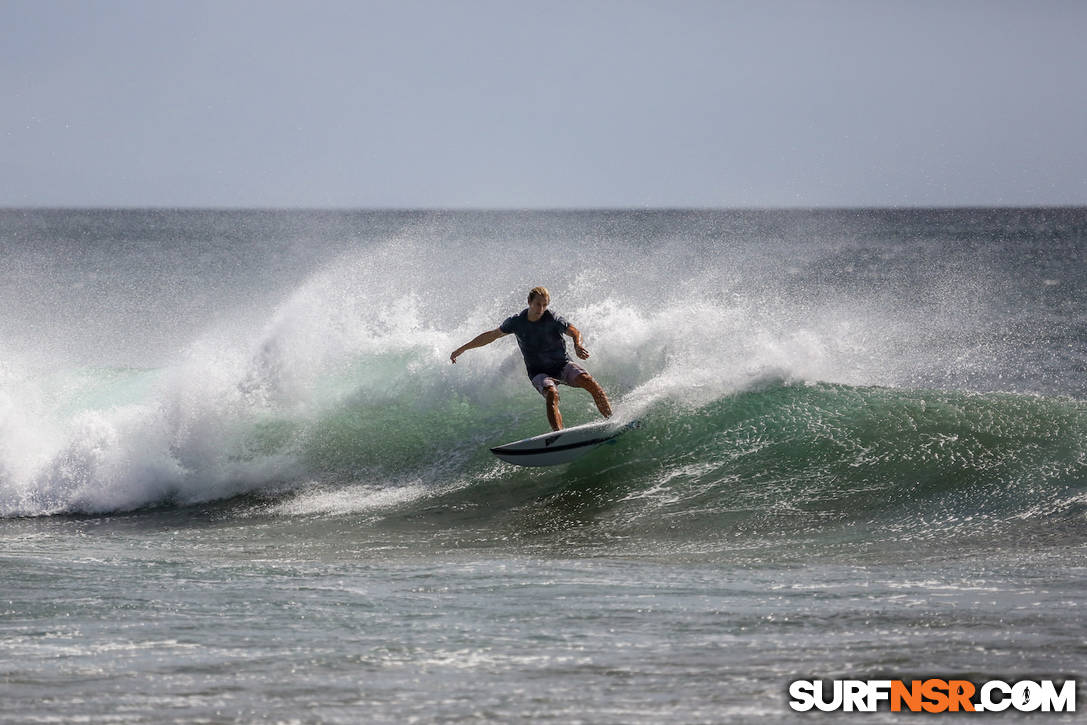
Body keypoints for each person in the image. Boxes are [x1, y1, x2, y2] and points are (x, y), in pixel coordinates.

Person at [450, 286, 612, 431]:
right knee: (551, 394)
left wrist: (577, 344)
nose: (541, 309)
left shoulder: (552, 318)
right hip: (538, 372)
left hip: (562, 364)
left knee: (588, 381)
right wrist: (462, 349)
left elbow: (574, 331)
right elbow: (491, 336)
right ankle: (559, 436)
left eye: (544, 305)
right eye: (537, 304)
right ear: (529, 302)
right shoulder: (516, 322)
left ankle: (611, 421)